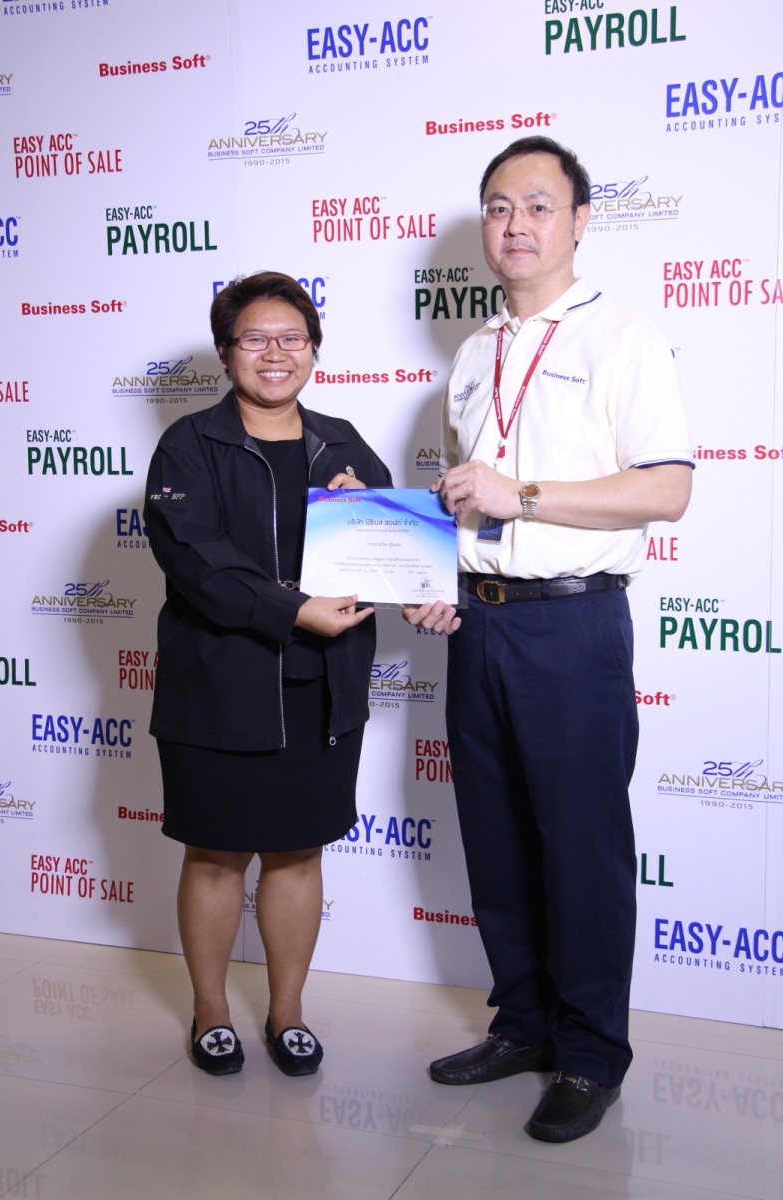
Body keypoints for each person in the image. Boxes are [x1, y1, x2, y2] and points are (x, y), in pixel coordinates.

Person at [403, 136, 693, 1142]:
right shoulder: (472, 353)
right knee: (494, 839)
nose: (515, 223)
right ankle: (522, 1024)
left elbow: (666, 488)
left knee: (579, 847)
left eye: (536, 204)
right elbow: (469, 501)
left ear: (579, 220)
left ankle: (589, 1055)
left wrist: (518, 493)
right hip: (478, 623)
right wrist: (437, 576)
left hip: (571, 624)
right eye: (497, 206)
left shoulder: (622, 333)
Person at [145, 271, 391, 1078]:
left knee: (297, 854)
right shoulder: (189, 444)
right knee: (215, 855)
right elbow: (197, 562)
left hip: (322, 689)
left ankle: (287, 1012)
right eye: (255, 338)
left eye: (292, 337)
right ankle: (211, 1010)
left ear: (314, 350)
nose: (275, 353)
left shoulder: (342, 442)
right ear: (227, 352)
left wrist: (368, 509)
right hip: (220, 684)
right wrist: (292, 609)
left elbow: (391, 552)